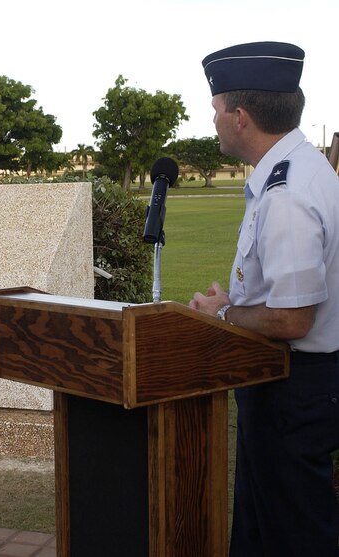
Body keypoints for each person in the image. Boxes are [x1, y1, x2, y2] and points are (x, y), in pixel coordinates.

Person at [190, 42, 339, 556]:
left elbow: (293, 319)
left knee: (293, 537)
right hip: (286, 382)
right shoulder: (300, 169)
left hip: (293, 388)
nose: (213, 120)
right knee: (263, 529)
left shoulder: (287, 193)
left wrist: (224, 313)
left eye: (216, 109)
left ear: (240, 117)